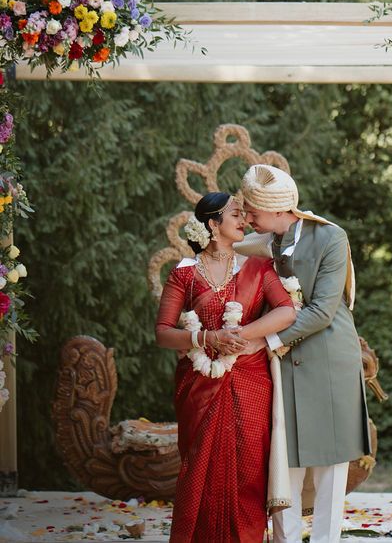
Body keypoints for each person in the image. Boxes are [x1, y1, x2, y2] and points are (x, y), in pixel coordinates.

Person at [237, 164, 371, 543]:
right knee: (285, 461)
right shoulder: (262, 243)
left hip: (330, 361)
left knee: (330, 466)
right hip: (282, 368)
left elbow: (323, 310)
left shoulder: (331, 237)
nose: (248, 218)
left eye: (254, 212)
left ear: (279, 210)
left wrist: (267, 342)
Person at [155, 191, 296, 543]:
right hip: (199, 385)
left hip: (250, 380)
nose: (244, 220)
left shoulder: (257, 268)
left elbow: (286, 311)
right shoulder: (183, 274)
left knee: (248, 466)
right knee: (198, 466)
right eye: (236, 214)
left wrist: (244, 333)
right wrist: (207, 339)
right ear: (213, 224)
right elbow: (163, 333)